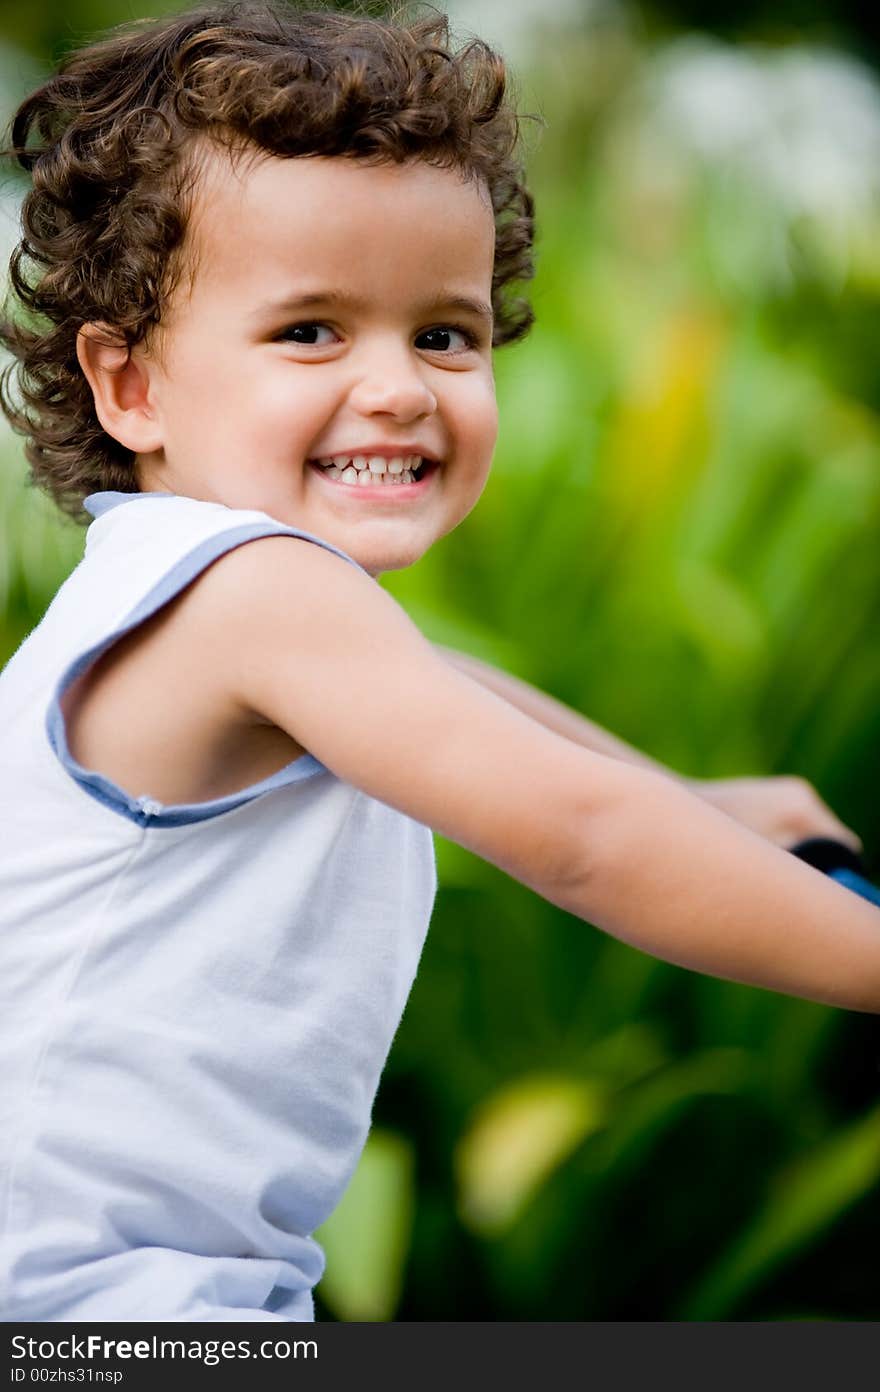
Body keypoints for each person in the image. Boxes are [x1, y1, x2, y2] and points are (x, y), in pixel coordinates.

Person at [0, 0, 875, 1325]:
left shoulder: (200, 592)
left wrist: (710, 808)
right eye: (311, 331)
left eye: (445, 334)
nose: (400, 385)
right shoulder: (256, 592)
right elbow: (579, 836)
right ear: (130, 386)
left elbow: (467, 703)